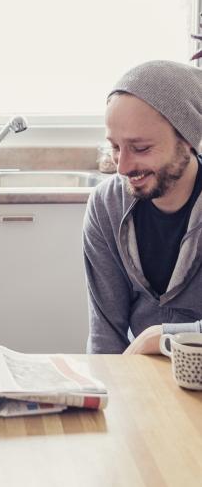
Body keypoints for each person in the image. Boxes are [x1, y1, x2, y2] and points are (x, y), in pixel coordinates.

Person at [84, 60, 202, 355]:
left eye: (141, 148)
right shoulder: (106, 205)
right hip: (139, 380)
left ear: (187, 139)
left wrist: (162, 337)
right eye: (115, 147)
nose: (122, 167)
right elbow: (105, 334)